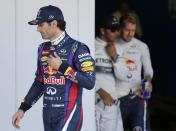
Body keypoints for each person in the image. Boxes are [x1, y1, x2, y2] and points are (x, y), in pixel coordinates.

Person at [12, 5, 95, 131]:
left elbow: (89, 82)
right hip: (48, 115)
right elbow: (40, 82)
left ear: (54, 23)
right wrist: (23, 108)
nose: (37, 29)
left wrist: (62, 67)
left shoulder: (77, 48)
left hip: (69, 114)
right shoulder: (42, 49)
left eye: (40, 24)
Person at [106, 14, 153, 131]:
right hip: (117, 97)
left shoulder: (141, 46)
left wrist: (147, 82)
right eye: (127, 30)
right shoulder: (111, 45)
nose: (130, 33)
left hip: (137, 96)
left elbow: (148, 71)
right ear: (120, 29)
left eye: (133, 30)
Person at [95, 15, 123, 131]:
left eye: (118, 29)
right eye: (112, 30)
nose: (116, 33)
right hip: (92, 102)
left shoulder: (119, 48)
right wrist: (99, 90)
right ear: (102, 30)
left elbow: (123, 76)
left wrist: (114, 57)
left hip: (110, 104)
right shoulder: (89, 46)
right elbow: (82, 73)